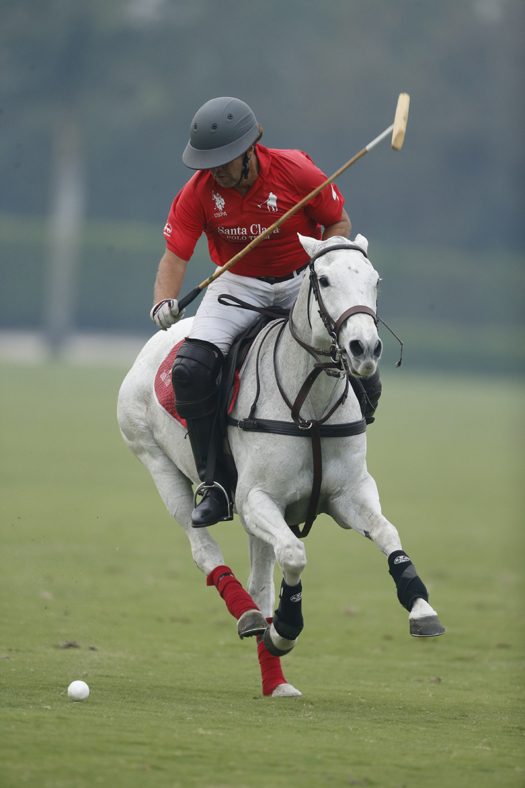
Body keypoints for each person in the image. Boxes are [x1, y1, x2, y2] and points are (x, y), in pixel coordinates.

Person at [150, 97, 380, 528]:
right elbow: (175, 256)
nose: (214, 170)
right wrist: (165, 300)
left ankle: (343, 464)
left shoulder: (296, 171)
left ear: (249, 150)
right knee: (191, 370)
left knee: (362, 364)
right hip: (238, 284)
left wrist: (324, 268)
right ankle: (215, 485)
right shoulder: (199, 193)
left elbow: (339, 224)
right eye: (207, 161)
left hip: (300, 280)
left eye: (223, 161)